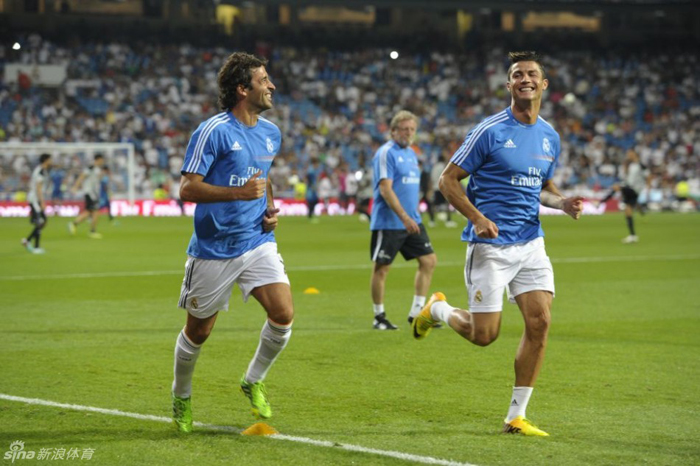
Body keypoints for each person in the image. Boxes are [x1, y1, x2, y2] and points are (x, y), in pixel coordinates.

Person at [412, 52, 583, 436]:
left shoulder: (549, 136)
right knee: (484, 335)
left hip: (531, 243)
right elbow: (447, 181)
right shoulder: (490, 130)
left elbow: (544, 188)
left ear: (544, 85)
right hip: (490, 247)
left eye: (531, 74)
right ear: (508, 85)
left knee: (540, 323)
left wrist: (562, 203)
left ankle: (515, 416)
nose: (525, 79)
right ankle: (438, 310)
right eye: (517, 74)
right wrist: (477, 217)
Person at [171, 52, 294, 434]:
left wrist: (269, 209)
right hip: (215, 248)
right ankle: (182, 394)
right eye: (263, 80)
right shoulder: (214, 130)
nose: (271, 85)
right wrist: (239, 195)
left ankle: (253, 379)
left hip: (256, 241)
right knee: (199, 332)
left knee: (283, 315)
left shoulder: (271, 131)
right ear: (243, 89)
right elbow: (187, 188)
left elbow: (263, 177)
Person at [369, 110, 438, 330]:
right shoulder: (385, 153)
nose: (408, 133)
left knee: (429, 261)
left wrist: (412, 216)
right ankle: (379, 317)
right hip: (390, 222)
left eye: (412, 130)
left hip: (412, 220)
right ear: (393, 131)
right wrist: (404, 217)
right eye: (404, 129)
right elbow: (385, 189)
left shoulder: (411, 154)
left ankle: (417, 312)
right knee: (382, 268)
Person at [597, 149, 650, 243]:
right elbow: (630, 178)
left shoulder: (641, 165)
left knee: (616, 187)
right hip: (630, 188)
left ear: (634, 154)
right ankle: (633, 235)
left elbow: (648, 176)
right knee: (628, 211)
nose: (628, 155)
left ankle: (600, 202)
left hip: (635, 189)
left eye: (629, 153)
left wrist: (647, 187)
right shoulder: (631, 165)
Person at [67, 154, 106, 239]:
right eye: (102, 159)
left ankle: (74, 224)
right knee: (96, 211)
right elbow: (82, 176)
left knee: (89, 212)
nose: (103, 161)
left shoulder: (97, 169)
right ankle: (92, 231)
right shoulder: (91, 167)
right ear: (98, 159)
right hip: (90, 193)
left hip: (94, 193)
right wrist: (75, 187)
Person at [22, 153, 51, 254]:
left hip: (36, 198)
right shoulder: (41, 171)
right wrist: (42, 202)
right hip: (35, 199)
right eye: (50, 159)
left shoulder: (40, 169)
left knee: (43, 221)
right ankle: (36, 247)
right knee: (40, 221)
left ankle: (27, 240)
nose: (51, 161)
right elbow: (38, 187)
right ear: (46, 160)